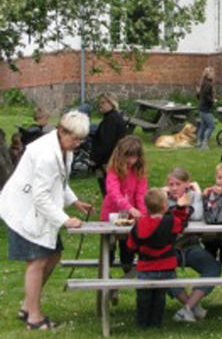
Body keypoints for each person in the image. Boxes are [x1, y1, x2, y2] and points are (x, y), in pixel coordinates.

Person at [0, 110, 95, 330]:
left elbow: (59, 181)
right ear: (62, 131)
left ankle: (27, 304)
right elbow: (40, 196)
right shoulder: (45, 154)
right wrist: (65, 220)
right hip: (22, 210)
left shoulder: (64, 148)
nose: (78, 143)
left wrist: (74, 201)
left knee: (53, 254)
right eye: (75, 138)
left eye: (81, 139)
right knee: (37, 261)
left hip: (37, 209)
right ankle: (34, 317)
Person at [126, 188, 191, 328]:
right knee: (160, 296)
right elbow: (181, 222)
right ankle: (157, 323)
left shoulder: (140, 223)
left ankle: (143, 323)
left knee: (144, 297)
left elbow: (131, 245)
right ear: (164, 206)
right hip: (166, 266)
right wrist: (181, 206)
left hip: (145, 267)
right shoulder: (171, 221)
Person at [165, 168, 221, 322]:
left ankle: (187, 308)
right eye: (171, 184)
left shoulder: (194, 196)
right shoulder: (163, 198)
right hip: (171, 248)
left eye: (178, 184)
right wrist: (174, 202)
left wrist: (184, 201)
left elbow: (197, 215)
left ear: (187, 184)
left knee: (213, 267)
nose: (174, 188)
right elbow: (160, 215)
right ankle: (192, 306)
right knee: (161, 269)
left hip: (192, 246)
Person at [101, 136, 148, 271]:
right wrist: (129, 208)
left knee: (127, 245)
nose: (131, 161)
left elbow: (141, 195)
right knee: (108, 246)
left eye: (134, 157)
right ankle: (105, 272)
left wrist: (142, 213)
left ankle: (127, 270)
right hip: (111, 214)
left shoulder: (139, 173)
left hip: (129, 218)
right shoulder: (113, 171)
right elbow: (114, 193)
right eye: (128, 157)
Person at [90, 93, 127, 195]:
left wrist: (96, 161)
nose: (100, 105)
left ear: (111, 103)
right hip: (112, 160)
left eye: (103, 103)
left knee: (108, 191)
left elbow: (106, 144)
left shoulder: (111, 120)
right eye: (99, 103)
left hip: (107, 162)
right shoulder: (113, 118)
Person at [196, 67, 215, 150]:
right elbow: (207, 96)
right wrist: (213, 101)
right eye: (213, 73)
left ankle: (198, 142)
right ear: (209, 74)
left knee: (203, 126)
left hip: (201, 107)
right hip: (206, 108)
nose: (214, 75)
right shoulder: (208, 84)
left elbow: (198, 95)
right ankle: (204, 143)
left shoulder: (203, 83)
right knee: (211, 126)